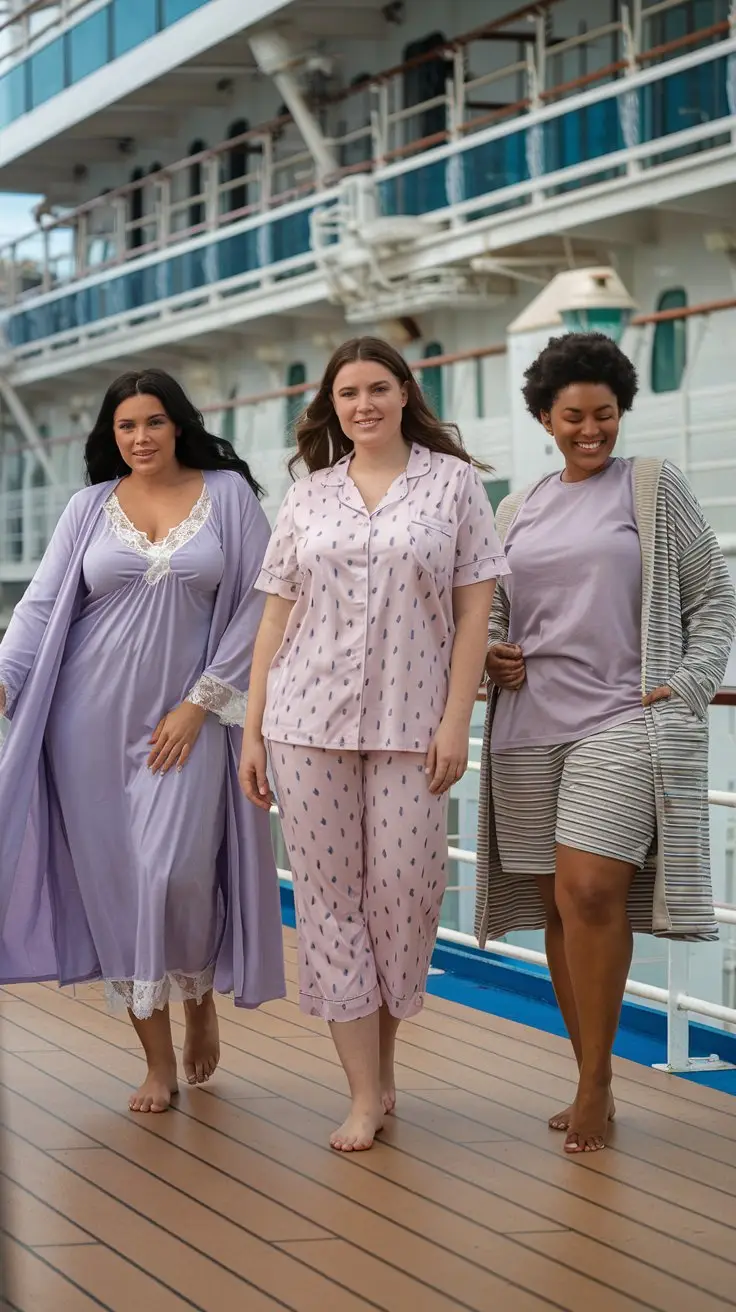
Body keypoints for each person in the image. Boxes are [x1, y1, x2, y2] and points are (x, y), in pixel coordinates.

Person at [240, 335, 508, 1152]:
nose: (364, 405)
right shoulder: (308, 496)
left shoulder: (455, 484)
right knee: (328, 906)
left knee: (402, 893)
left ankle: (383, 1074)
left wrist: (457, 719)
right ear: (334, 406)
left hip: (412, 723)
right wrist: (250, 730)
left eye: (378, 389)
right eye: (349, 393)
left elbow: (474, 613)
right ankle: (365, 1092)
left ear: (404, 394)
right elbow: (276, 618)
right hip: (304, 721)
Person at [476, 332, 736, 1154]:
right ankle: (588, 1069)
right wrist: (491, 648)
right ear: (545, 418)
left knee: (591, 890)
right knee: (560, 903)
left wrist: (690, 684)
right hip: (526, 729)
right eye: (574, 417)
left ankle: (596, 1083)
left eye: (606, 415)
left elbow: (715, 599)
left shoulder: (653, 487)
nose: (592, 430)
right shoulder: (514, 508)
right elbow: (488, 610)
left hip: (623, 720)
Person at [0, 369, 285, 1114]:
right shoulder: (88, 507)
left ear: (178, 424)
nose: (140, 438)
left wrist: (201, 703)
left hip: (185, 727)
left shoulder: (228, 496)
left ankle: (198, 999)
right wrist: (5, 676)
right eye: (126, 427)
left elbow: (261, 603)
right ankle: (155, 1060)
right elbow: (37, 606)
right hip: (85, 726)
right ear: (111, 437)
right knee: (122, 889)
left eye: (153, 423)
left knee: (177, 873)